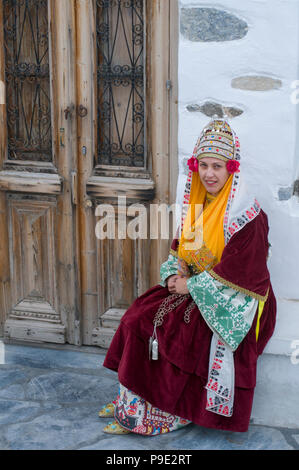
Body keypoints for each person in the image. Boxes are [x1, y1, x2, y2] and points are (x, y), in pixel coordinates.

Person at [99, 118, 277, 436]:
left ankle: (159, 414)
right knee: (136, 316)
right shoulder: (197, 205)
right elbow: (180, 252)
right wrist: (172, 276)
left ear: (231, 169)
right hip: (193, 288)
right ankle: (131, 402)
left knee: (171, 335)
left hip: (229, 301)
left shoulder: (247, 216)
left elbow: (244, 276)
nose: (209, 174)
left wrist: (190, 285)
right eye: (204, 165)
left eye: (217, 167)